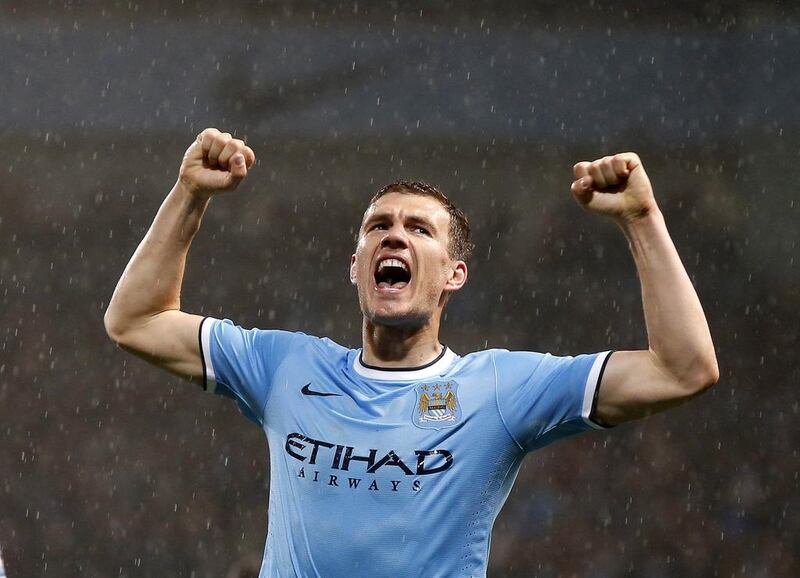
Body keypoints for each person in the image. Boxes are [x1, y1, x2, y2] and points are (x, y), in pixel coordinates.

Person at [104, 128, 718, 577]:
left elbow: (683, 369)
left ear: (454, 275)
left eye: (419, 229)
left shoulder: (500, 388)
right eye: (379, 226)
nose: (394, 233)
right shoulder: (286, 366)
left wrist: (642, 218)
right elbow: (135, 320)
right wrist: (190, 193)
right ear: (356, 267)